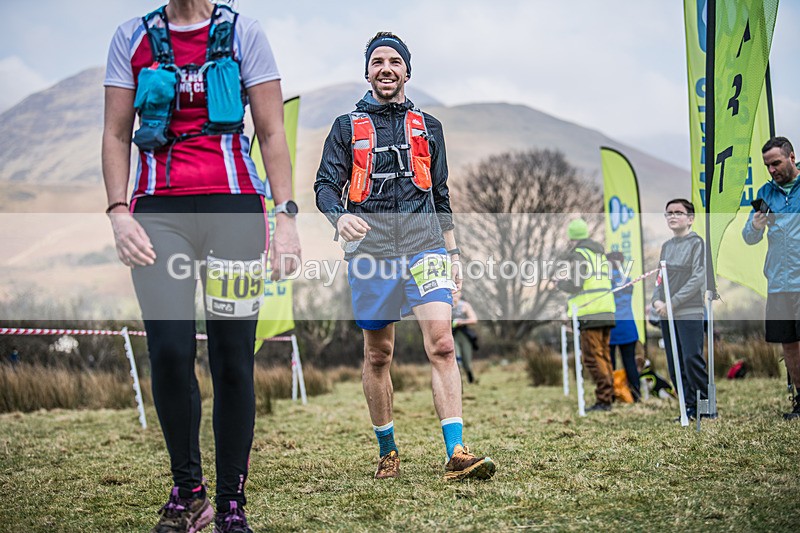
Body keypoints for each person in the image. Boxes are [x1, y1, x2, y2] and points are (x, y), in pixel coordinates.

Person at [102, 1, 300, 532]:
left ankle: (232, 501)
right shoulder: (132, 37)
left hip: (234, 212)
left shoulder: (244, 32)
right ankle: (189, 493)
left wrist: (286, 218)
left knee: (233, 360)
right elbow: (118, 133)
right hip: (157, 216)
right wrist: (119, 213)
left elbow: (273, 132)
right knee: (169, 353)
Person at [314, 32, 495, 481]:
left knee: (444, 343)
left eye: (395, 61)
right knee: (379, 355)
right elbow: (323, 186)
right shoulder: (344, 127)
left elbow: (441, 193)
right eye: (378, 61)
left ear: (407, 71)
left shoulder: (430, 127)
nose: (386, 68)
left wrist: (454, 255)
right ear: (368, 72)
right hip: (370, 253)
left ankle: (456, 451)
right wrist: (339, 217)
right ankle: (387, 451)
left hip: (425, 246)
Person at [742, 136, 800, 421]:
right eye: (767, 165)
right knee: (788, 344)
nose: (772, 169)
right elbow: (749, 238)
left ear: (791, 157)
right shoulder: (766, 192)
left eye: (776, 163)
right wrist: (755, 225)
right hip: (778, 283)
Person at [652, 199, 708, 421]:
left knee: (691, 359)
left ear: (690, 218)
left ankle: (704, 407)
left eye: (678, 212)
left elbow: (697, 278)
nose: (673, 216)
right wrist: (657, 302)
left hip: (689, 311)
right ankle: (688, 408)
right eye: (668, 213)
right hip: (666, 314)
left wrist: (672, 303)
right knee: (675, 362)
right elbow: (659, 279)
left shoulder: (697, 244)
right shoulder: (666, 247)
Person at [557, 218, 616, 412]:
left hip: (590, 311)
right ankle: (609, 395)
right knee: (604, 355)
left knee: (592, 357)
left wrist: (559, 283)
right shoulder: (599, 254)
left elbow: (576, 284)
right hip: (607, 309)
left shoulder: (579, 255)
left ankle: (604, 399)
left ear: (572, 238)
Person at [606, 251, 641, 401]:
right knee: (630, 362)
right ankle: (636, 394)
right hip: (628, 326)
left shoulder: (606, 281)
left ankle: (611, 395)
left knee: (610, 364)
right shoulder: (627, 280)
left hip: (612, 327)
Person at [452, 291, 479, 384]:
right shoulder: (446, 305)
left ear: (460, 294)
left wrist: (461, 322)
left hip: (464, 334)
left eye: (456, 292)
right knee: (456, 359)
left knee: (467, 362)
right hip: (452, 335)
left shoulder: (465, 305)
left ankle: (469, 373)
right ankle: (458, 382)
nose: (454, 294)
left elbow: (474, 320)